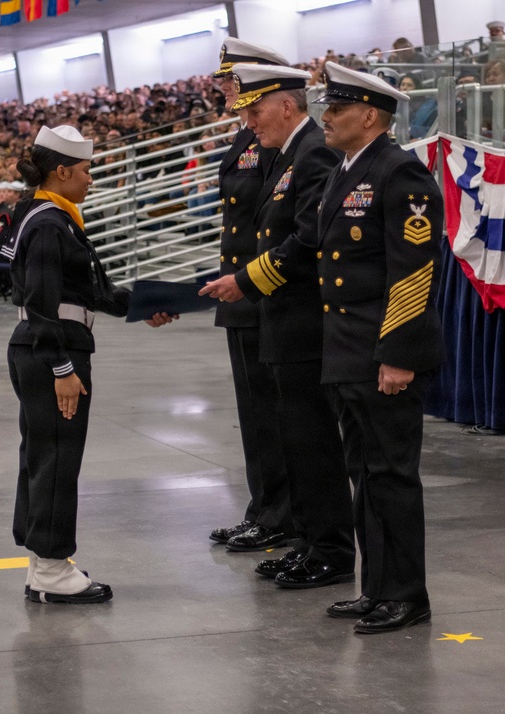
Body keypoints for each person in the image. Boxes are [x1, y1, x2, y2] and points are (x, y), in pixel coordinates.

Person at [200, 64, 355, 588]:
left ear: (286, 105)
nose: (248, 119)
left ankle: (327, 549)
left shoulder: (311, 151)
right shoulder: (288, 152)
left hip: (304, 319)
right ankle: (308, 542)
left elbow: (308, 237)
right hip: (279, 317)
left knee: (313, 444)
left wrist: (248, 279)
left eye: (255, 109)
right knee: (294, 439)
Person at [6, 126, 172, 604]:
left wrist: (144, 304)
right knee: (56, 458)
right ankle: (54, 571)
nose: (91, 179)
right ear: (61, 171)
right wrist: (62, 369)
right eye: (85, 170)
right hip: (52, 348)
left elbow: (90, 292)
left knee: (43, 456)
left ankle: (44, 564)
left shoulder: (47, 215)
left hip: (45, 345)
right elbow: (41, 304)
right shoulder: (48, 224)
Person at [310, 61, 445, 634]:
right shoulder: (347, 170)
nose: (326, 117)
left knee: (392, 474)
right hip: (345, 349)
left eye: (336, 109)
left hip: (379, 351)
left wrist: (397, 354)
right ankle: (378, 588)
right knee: (364, 474)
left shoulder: (400, 173)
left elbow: (413, 271)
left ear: (370, 115)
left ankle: (407, 593)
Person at [205, 38, 292, 552]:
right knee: (255, 415)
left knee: (272, 413)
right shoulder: (246, 139)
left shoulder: (276, 142)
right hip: (240, 290)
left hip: (262, 289)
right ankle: (263, 508)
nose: (225, 90)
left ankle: (279, 514)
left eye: (232, 82)